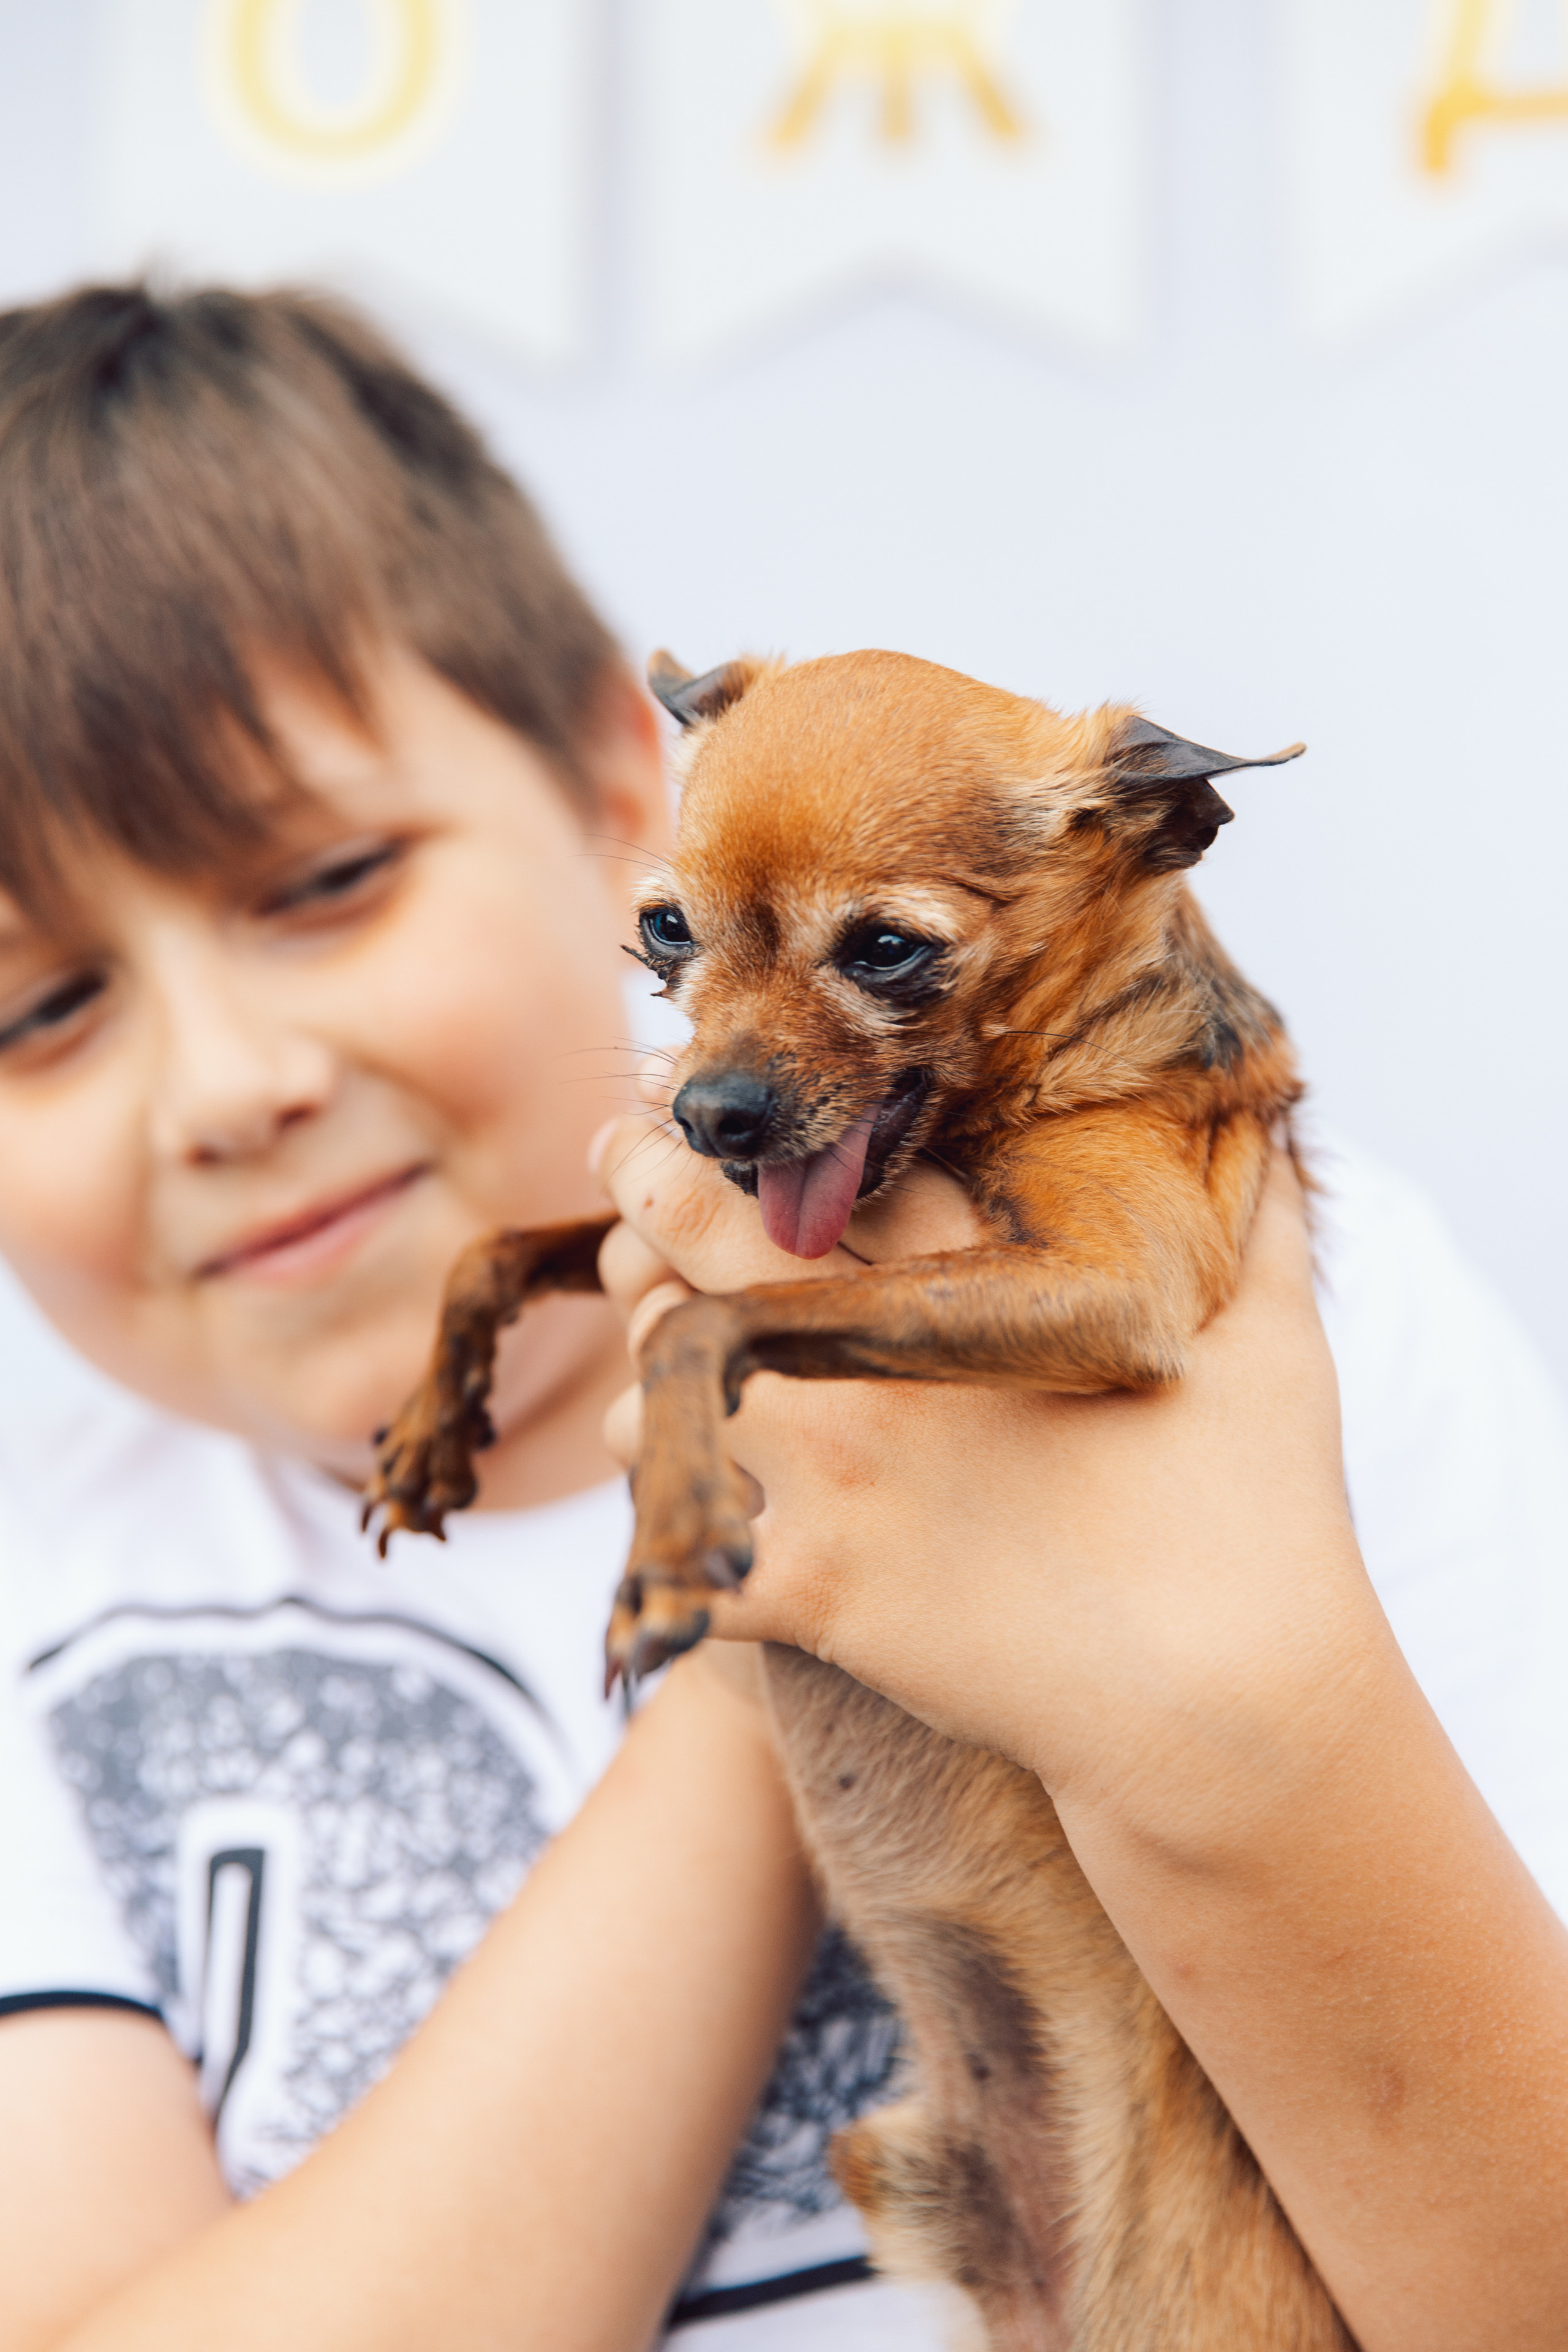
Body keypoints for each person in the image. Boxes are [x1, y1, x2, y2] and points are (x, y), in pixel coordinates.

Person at [0, 281, 1563, 2352]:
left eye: (324, 882)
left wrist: (1237, 1704)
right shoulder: (52, 1610)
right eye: (39, 1003)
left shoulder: (1332, 1330)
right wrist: (770, 1609)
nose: (230, 1085)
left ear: (605, 767)